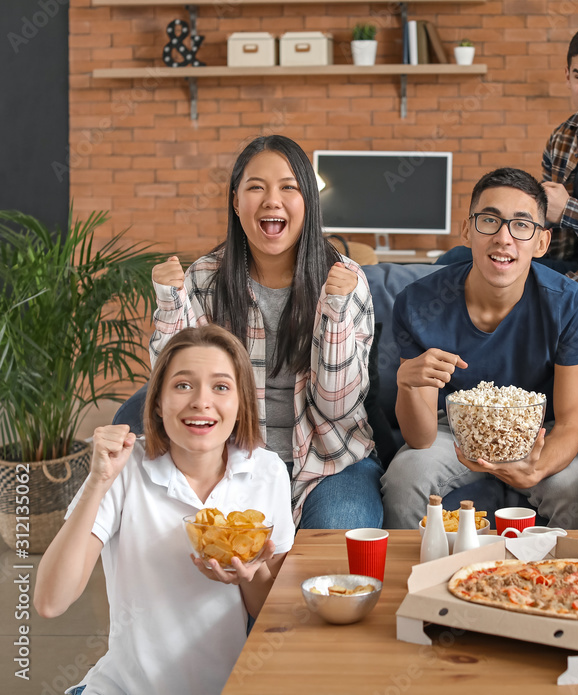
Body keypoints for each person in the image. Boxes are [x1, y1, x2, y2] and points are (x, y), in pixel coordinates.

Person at [35, 325, 295, 695]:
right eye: (183, 385)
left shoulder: (266, 472)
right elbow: (50, 601)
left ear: (241, 404)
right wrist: (97, 481)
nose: (201, 402)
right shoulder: (122, 468)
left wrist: (249, 575)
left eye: (221, 387)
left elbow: (271, 612)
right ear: (157, 401)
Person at [150, 134, 383, 530]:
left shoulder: (344, 279)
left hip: (330, 460)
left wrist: (335, 312)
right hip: (230, 458)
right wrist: (171, 303)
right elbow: (173, 384)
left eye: (288, 187)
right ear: (236, 202)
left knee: (335, 550)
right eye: (255, 187)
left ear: (308, 201)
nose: (271, 200)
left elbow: (337, 406)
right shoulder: (205, 279)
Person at [381, 167, 578, 529]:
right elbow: (420, 440)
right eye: (489, 221)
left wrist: (537, 468)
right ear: (467, 230)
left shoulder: (571, 305)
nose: (503, 238)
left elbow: (571, 423)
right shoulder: (419, 303)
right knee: (405, 476)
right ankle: (410, 582)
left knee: (570, 486)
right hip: (451, 432)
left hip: (539, 433)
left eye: (521, 225)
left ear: (541, 243)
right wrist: (407, 384)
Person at [434, 25, 578, 286]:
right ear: (568, 76)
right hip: (558, 261)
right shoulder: (562, 137)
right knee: (453, 261)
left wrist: (569, 211)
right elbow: (547, 217)